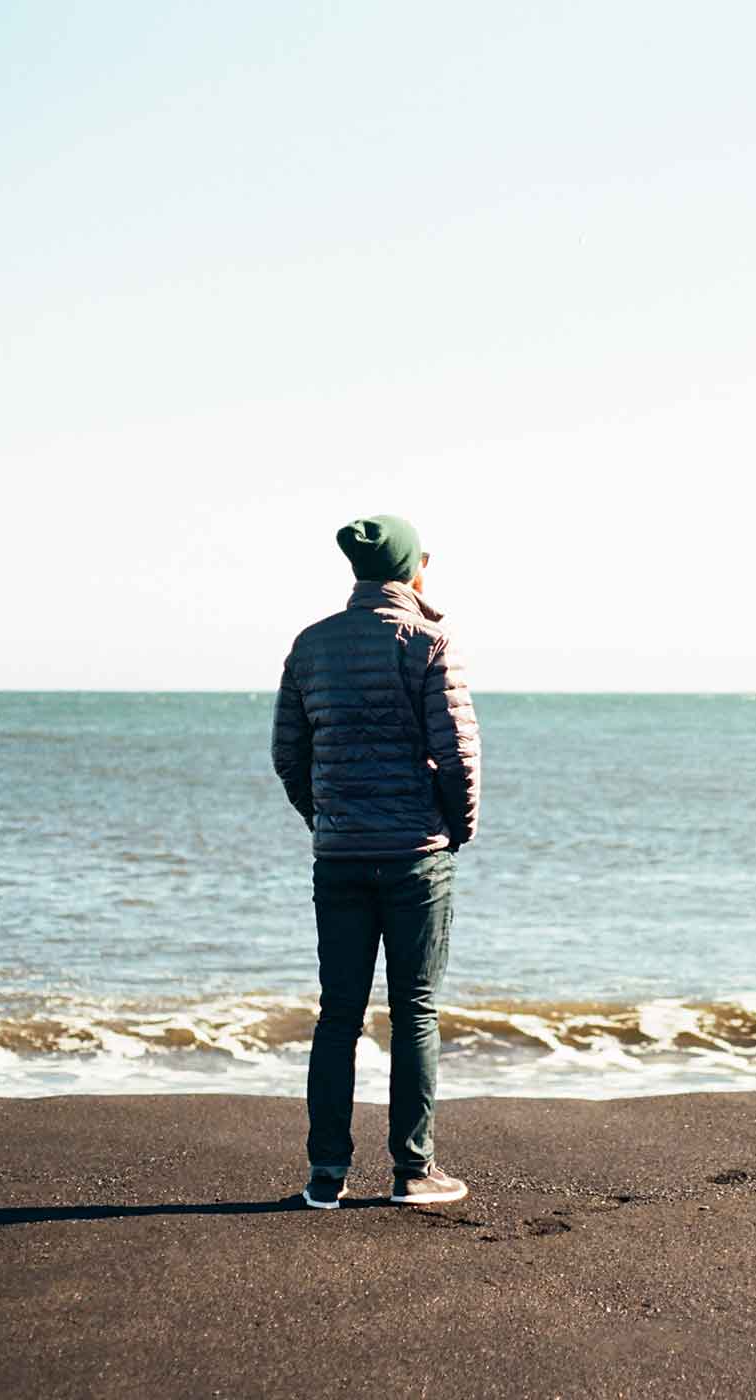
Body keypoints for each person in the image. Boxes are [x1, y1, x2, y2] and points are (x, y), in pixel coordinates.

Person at [271, 514, 480, 1210]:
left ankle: (325, 1176)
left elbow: (289, 756)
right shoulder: (428, 640)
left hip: (340, 856)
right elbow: (457, 754)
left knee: (339, 1014)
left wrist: (324, 819)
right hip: (415, 855)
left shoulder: (311, 645)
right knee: (414, 1008)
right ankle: (413, 1172)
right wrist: (456, 829)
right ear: (411, 569)